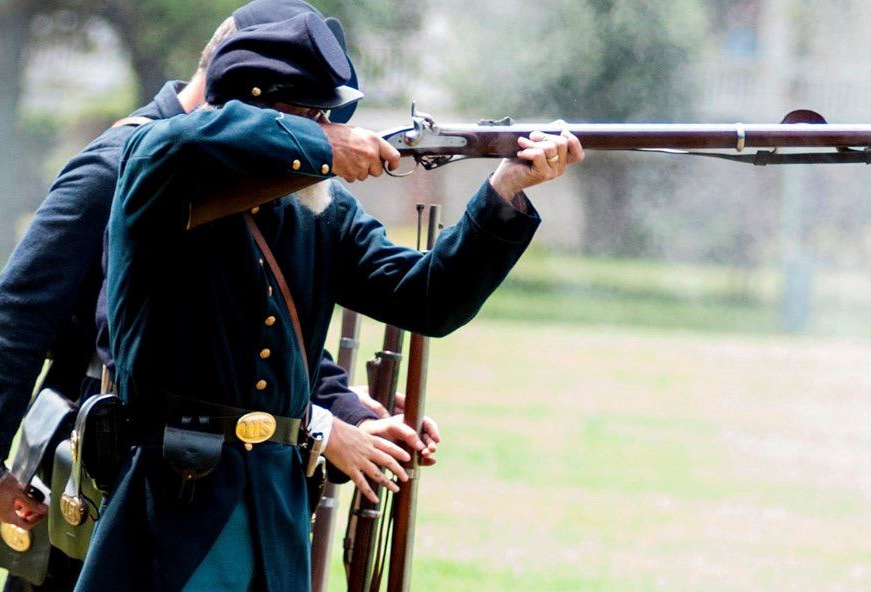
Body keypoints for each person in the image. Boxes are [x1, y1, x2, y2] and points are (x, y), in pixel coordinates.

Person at [82, 10, 582, 591]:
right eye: (313, 115)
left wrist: (505, 190)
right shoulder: (157, 163)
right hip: (174, 508)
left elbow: (428, 299)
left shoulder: (320, 209)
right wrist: (319, 143)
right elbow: (183, 138)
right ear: (253, 108)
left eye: (328, 117)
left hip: (276, 515)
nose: (330, 129)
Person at [0, 2, 432, 591]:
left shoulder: (251, 181)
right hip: (111, 461)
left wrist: (344, 410)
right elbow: (17, 313)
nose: (313, 124)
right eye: (294, 107)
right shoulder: (119, 164)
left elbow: (250, 328)